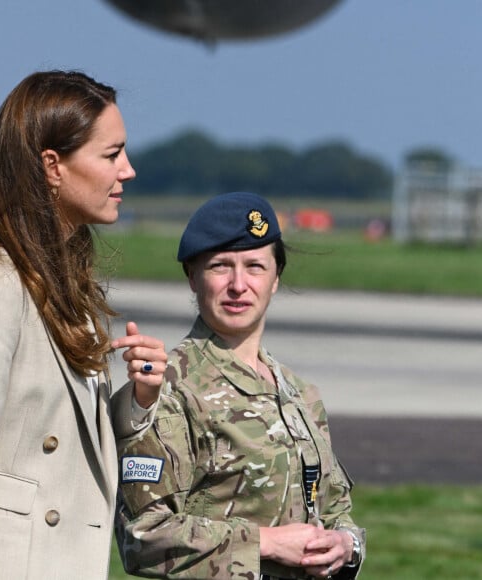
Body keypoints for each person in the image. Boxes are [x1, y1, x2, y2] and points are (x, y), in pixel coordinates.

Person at [0, 70, 167, 580]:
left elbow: (62, 441)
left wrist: (137, 400)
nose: (128, 171)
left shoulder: (64, 281)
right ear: (52, 166)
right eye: (111, 155)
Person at [115, 191, 366, 579]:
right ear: (192, 276)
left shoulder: (301, 395)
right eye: (219, 266)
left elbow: (334, 510)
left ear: (276, 279)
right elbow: (143, 537)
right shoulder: (167, 391)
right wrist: (267, 542)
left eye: (254, 266)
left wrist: (346, 544)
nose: (238, 285)